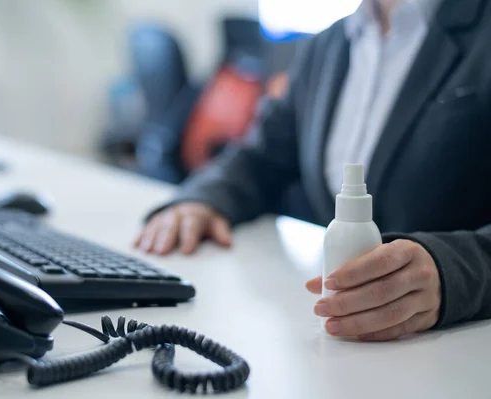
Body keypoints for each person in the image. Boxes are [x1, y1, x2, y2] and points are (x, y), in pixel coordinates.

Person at [135, 0, 491, 340]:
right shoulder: (330, 45)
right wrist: (204, 198)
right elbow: (263, 153)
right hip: (334, 343)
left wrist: (454, 272)